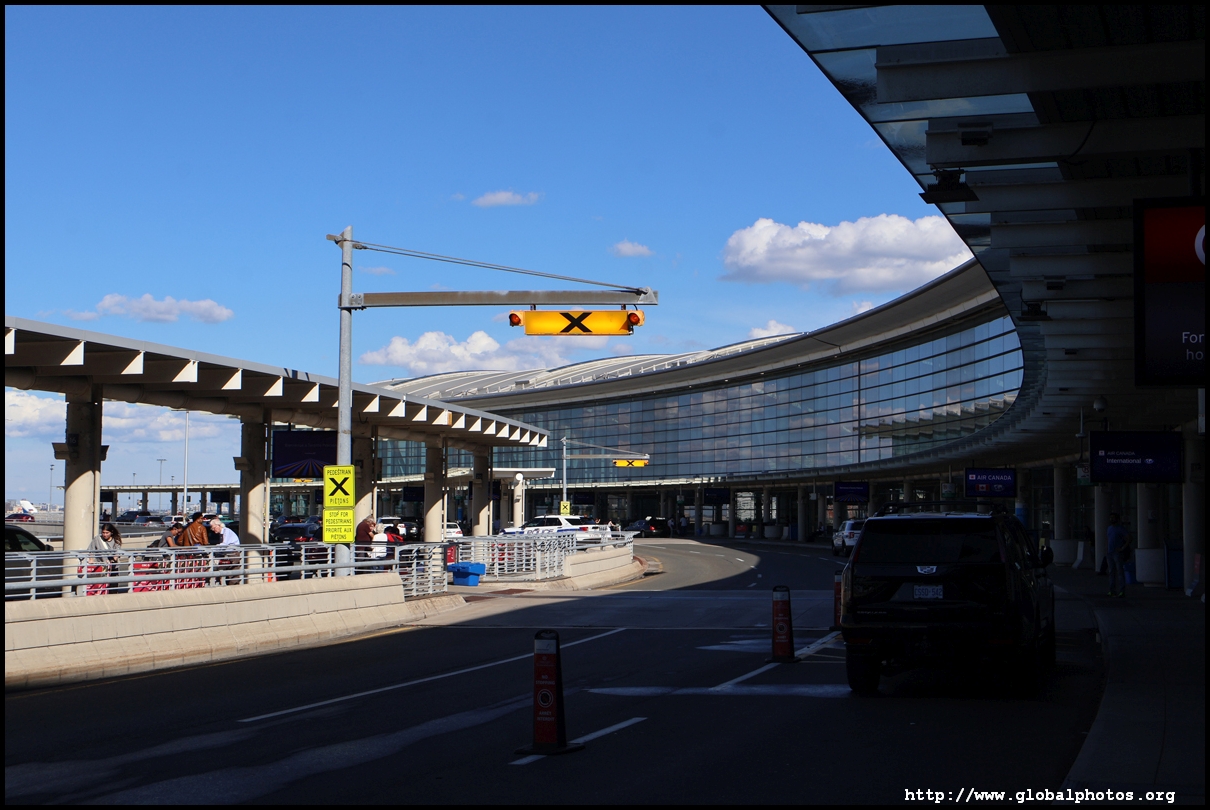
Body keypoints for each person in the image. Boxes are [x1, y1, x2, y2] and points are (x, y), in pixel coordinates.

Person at [1106, 512, 1131, 597]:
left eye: (1113, 518)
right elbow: (1109, 539)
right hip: (1110, 552)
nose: (1111, 519)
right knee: (1111, 572)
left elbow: (1129, 538)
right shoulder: (1109, 528)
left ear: (1117, 519)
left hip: (1117, 553)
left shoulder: (1120, 529)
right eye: (1111, 518)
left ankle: (1121, 590)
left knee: (1120, 572)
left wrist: (1122, 548)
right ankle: (1112, 590)